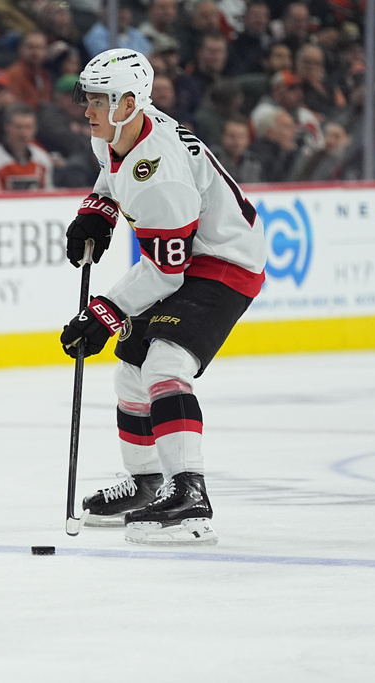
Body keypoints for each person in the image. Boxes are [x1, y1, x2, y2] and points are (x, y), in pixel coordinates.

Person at [60, 49, 266, 546]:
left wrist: (103, 313)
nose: (87, 109)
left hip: (225, 263)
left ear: (129, 103)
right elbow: (113, 176)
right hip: (189, 255)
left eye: (98, 100)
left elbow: (165, 273)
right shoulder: (115, 131)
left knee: (164, 365)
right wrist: (98, 211)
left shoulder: (162, 171)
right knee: (130, 372)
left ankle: (189, 495)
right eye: (86, 98)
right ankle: (148, 483)